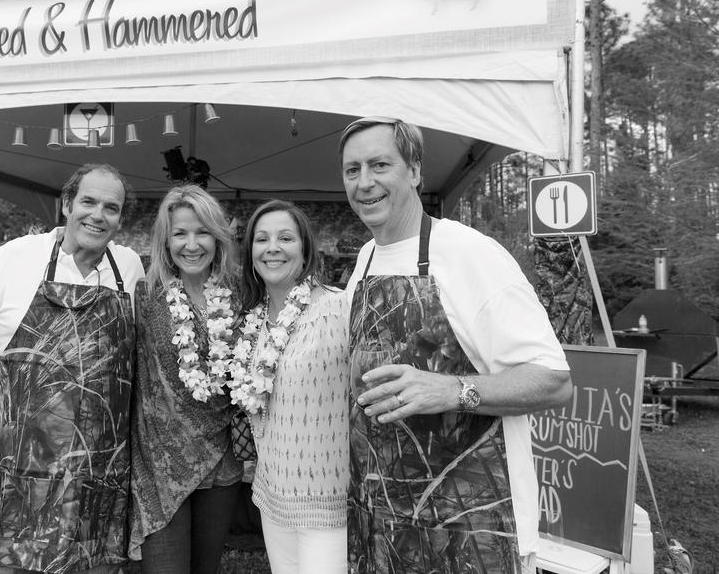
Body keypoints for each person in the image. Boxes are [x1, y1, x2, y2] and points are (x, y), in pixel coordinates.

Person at [339, 117, 574, 574]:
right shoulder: (367, 257)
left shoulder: (470, 253)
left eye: (379, 165)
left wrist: (452, 391)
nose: (364, 183)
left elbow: (554, 380)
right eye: (352, 170)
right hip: (381, 523)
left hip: (470, 531)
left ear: (414, 172)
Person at [0, 163, 144, 574]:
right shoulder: (15, 257)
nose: (98, 216)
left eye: (111, 208)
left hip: (96, 480)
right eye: (89, 202)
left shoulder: (130, 268)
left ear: (120, 219)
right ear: (65, 204)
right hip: (14, 473)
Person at [229, 200, 349, 574]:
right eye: (261, 239)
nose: (272, 247)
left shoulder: (338, 308)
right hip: (272, 494)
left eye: (285, 238)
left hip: (326, 500)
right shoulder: (254, 321)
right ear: (250, 253)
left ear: (305, 249)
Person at [129, 185, 243, 574]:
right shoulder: (144, 296)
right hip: (159, 465)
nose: (192, 245)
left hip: (220, 463)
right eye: (180, 233)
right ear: (166, 239)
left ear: (218, 237)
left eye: (202, 232)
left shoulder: (240, 296)